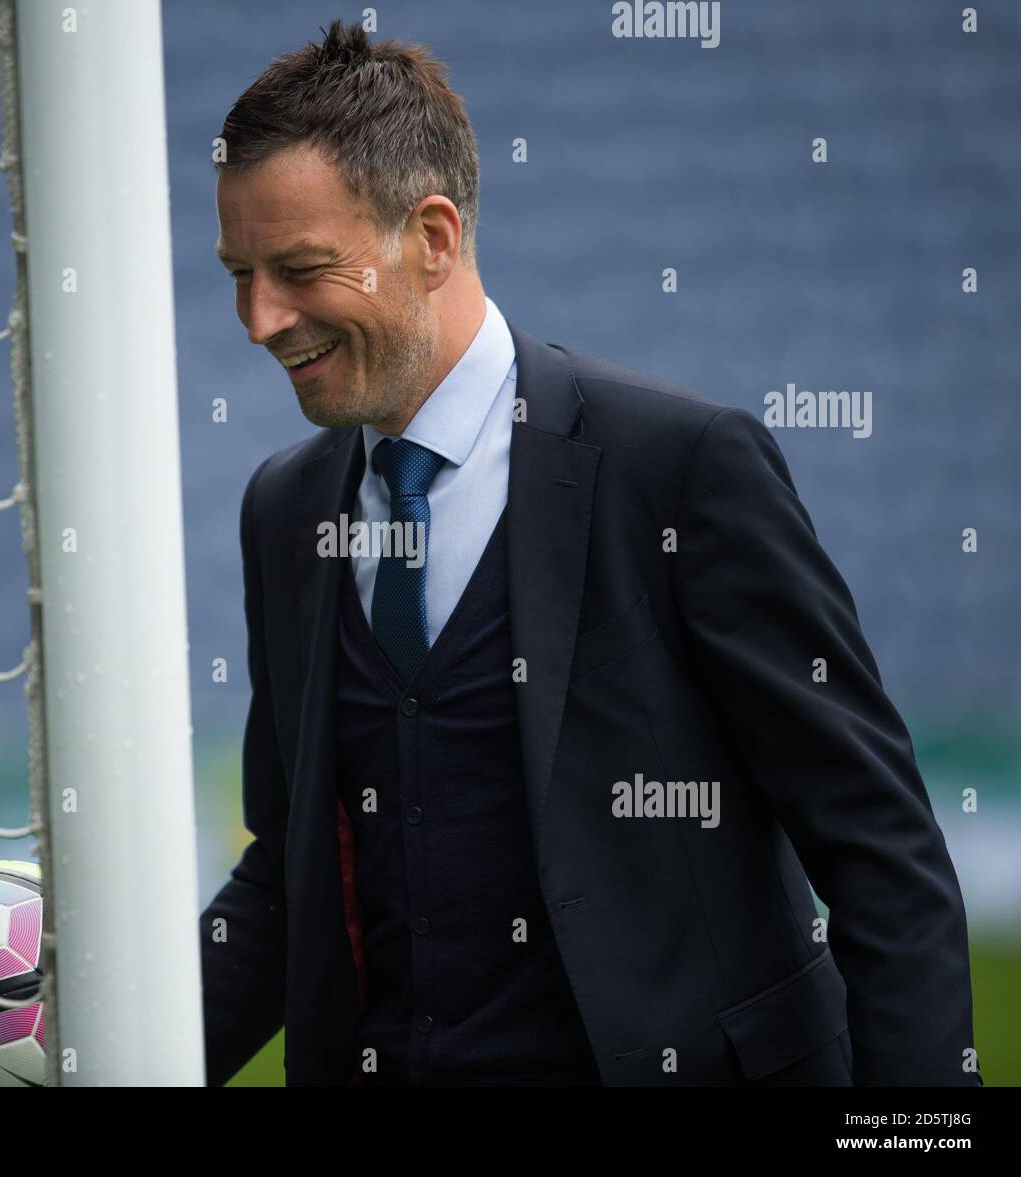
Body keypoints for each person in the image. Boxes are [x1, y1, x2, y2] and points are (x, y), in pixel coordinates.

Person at [199, 19, 979, 1088]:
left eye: (298, 269)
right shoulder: (284, 512)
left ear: (431, 236)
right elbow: (290, 879)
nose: (258, 318)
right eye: (239, 272)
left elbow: (877, 843)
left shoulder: (682, 467)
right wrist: (86, 1048)